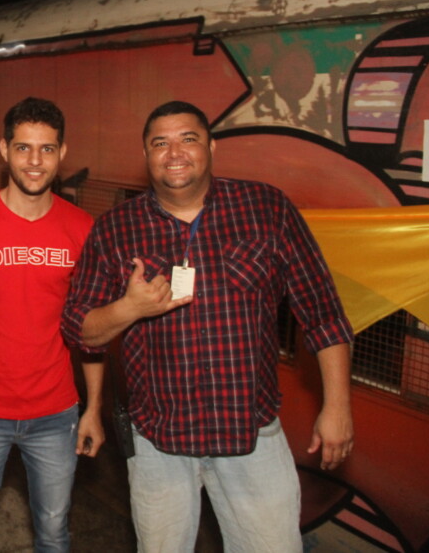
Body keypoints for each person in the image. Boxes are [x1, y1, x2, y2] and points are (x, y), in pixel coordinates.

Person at [62, 101, 355, 552]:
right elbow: (80, 329)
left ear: (211, 147)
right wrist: (129, 308)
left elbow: (324, 313)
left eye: (188, 139)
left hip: (251, 432)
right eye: (160, 143)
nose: (174, 153)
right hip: (159, 439)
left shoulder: (266, 209)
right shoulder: (115, 229)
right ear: (146, 155)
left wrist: (337, 407)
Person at [0, 97, 105, 552]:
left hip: (57, 414)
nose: (35, 161)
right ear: (4, 149)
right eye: (23, 148)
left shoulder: (82, 229)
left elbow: (93, 329)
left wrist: (93, 407)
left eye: (46, 149)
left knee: (54, 536)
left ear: (62, 153)